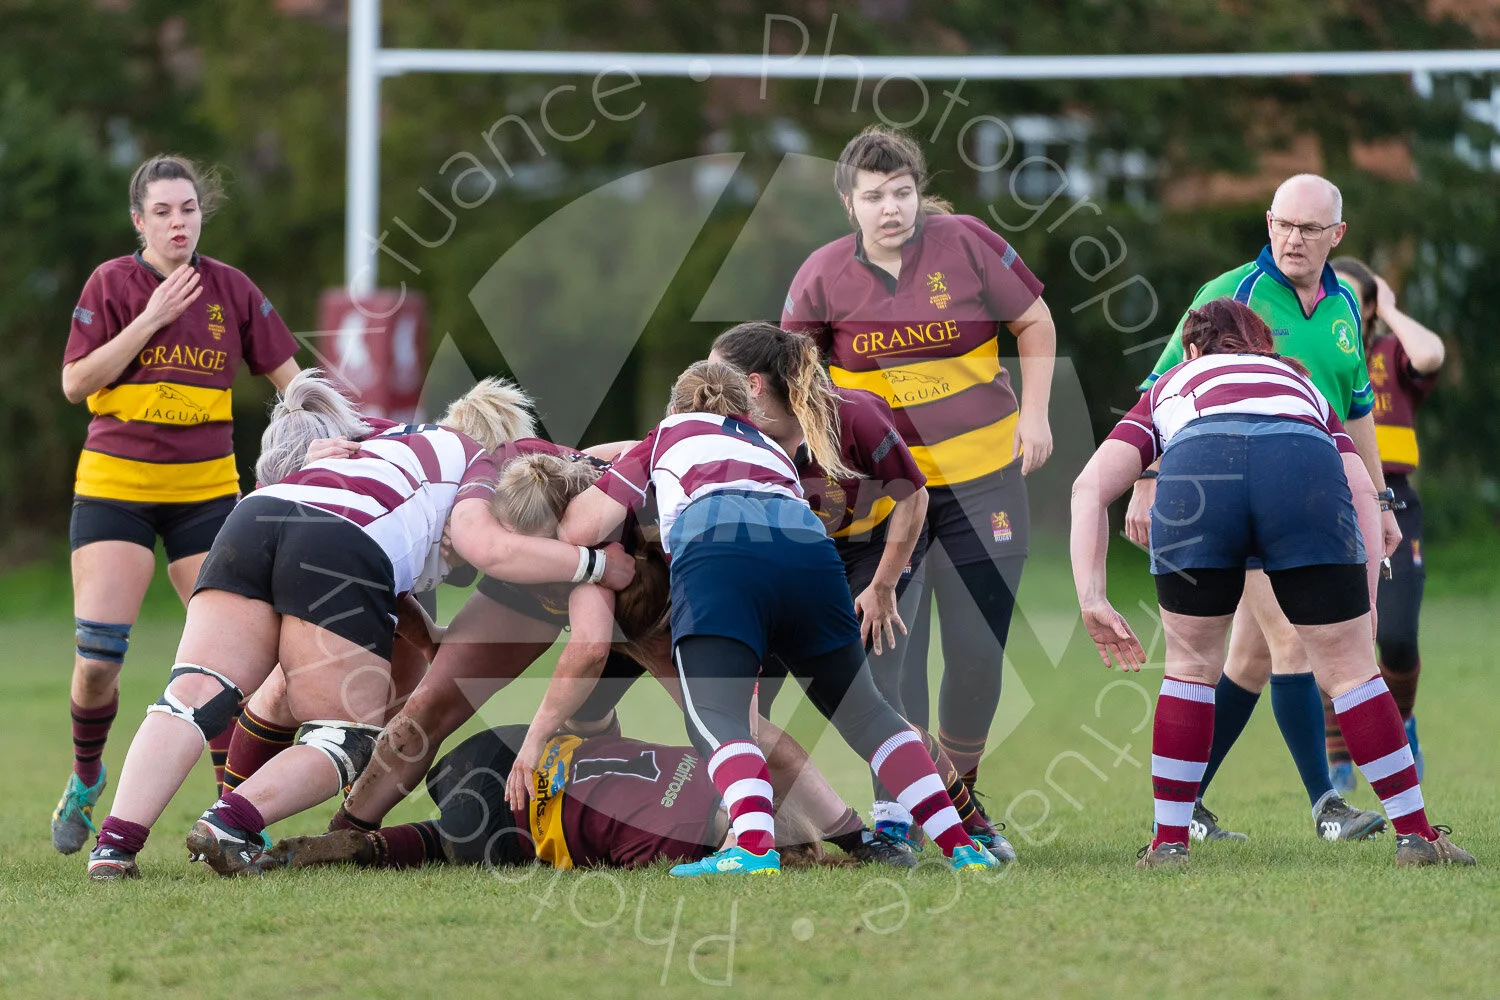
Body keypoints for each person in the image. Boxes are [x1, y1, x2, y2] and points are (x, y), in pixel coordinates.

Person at [85, 371, 636, 880]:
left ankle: (114, 847)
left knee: (194, 697)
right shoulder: (483, 465)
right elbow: (482, 544)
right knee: (344, 737)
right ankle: (231, 820)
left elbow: (295, 447)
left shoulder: (384, 433)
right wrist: (596, 565)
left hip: (256, 515)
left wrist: (430, 640)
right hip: (342, 544)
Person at [531, 359, 999, 877]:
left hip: (720, 552)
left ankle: (753, 847)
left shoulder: (666, 433)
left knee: (716, 715)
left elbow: (584, 525)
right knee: (869, 714)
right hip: (811, 553)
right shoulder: (771, 443)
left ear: (678, 404)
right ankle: (961, 845)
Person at [1071, 297, 1473, 870]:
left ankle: (1169, 845)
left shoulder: (1173, 383)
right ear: (1263, 344)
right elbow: (1363, 489)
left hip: (1200, 476)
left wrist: (1092, 596)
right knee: (1352, 671)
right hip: (1299, 468)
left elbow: (1089, 490)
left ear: (1191, 348)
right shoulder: (1295, 380)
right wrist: (1366, 602)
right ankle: (1416, 837)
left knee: (1189, 667)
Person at [781, 125, 1057, 830]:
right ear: (850, 203)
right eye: (874, 196)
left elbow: (1034, 320)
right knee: (889, 657)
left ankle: (958, 799)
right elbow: (797, 386)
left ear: (918, 193)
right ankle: (898, 806)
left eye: (901, 192)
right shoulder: (819, 276)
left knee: (976, 656)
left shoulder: (965, 241)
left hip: (985, 480)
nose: (891, 208)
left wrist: (1037, 415)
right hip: (881, 496)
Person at [1127, 174, 1389, 842]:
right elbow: (1162, 385)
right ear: (1268, 222)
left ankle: (1187, 807)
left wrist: (1379, 501)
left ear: (1338, 235)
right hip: (1233, 494)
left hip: (1314, 501)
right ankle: (1327, 806)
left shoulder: (1341, 306)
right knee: (1290, 639)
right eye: (1281, 224)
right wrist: (1146, 478)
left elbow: (1357, 411)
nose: (1292, 239)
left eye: (1307, 229)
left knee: (1249, 661)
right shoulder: (1230, 293)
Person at [53, 155, 301, 855]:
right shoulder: (112, 284)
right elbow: (76, 383)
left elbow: (294, 384)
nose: (176, 222)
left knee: (232, 661)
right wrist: (152, 318)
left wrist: (335, 443)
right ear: (139, 222)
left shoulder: (231, 290)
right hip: (116, 491)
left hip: (206, 499)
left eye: (187, 209)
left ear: (200, 215)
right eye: (161, 212)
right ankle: (84, 776)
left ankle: (230, 814)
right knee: (100, 658)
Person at [705, 322, 1010, 860]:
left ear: (752, 383)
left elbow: (914, 500)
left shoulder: (854, 414)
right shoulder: (724, 426)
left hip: (877, 553)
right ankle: (755, 832)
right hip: (795, 561)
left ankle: (937, 823)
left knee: (873, 692)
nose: (706, 382)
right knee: (749, 700)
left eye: (716, 368)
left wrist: (883, 585)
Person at [265, 725, 841, 873]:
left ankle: (349, 828)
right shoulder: (674, 847)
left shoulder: (705, 765)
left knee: (594, 737)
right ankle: (373, 847)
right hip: (494, 819)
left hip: (492, 749)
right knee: (451, 842)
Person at [1325, 257, 1446, 790]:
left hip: (1393, 499)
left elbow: (1431, 353)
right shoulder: (1315, 351)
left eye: (1356, 296)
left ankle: (1404, 722)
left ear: (1370, 306)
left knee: (1395, 638)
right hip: (1325, 496)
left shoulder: (1389, 352)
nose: (1343, 303)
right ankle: (1337, 761)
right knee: (1332, 632)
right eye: (1336, 293)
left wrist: (1390, 310)